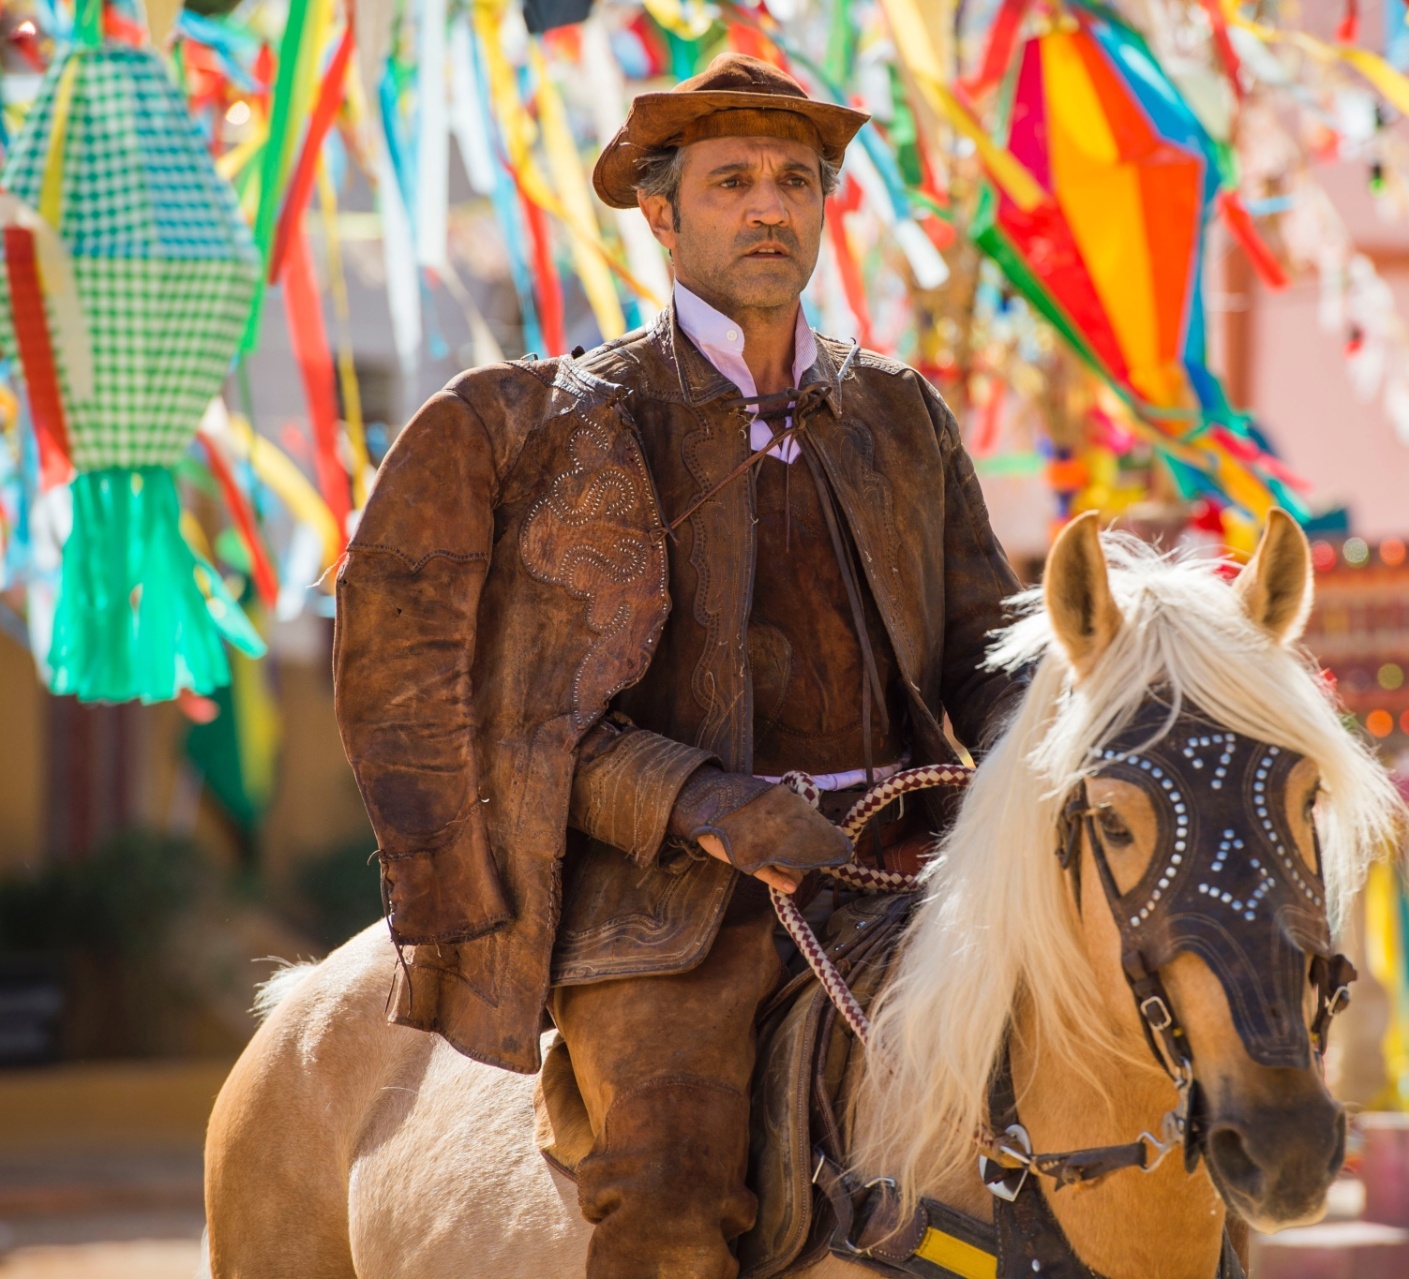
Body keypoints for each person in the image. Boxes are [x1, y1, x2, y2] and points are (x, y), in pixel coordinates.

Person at [331, 54, 1024, 1279]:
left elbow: (984, 650)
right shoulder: (570, 422)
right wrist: (704, 803)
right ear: (661, 215)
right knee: (666, 1190)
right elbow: (529, 721)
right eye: (733, 182)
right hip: (666, 907)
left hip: (910, 865)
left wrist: (1058, 727)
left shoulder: (900, 415)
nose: (770, 207)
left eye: (796, 182)